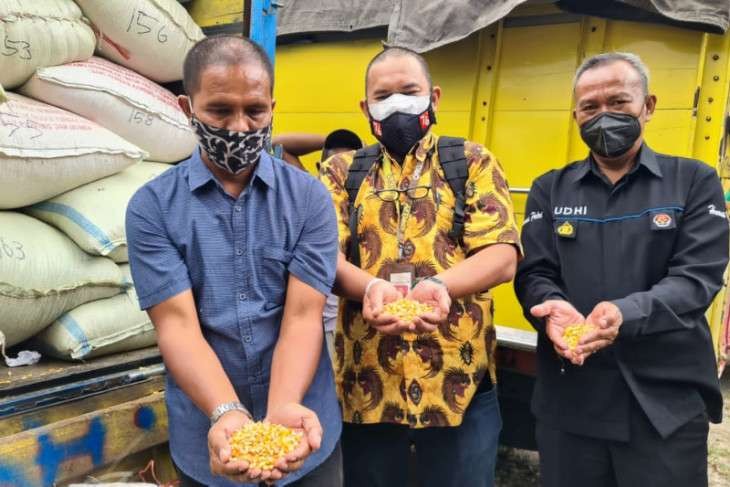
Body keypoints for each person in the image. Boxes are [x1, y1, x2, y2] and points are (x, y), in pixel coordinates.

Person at [125, 35, 342, 487]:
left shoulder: (309, 199)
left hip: (305, 431)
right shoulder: (152, 208)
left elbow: (303, 316)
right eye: (220, 111)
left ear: (272, 107)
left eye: (255, 111)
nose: (240, 127)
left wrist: (282, 410)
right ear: (187, 108)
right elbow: (177, 326)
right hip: (206, 441)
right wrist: (227, 413)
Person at [515, 52, 729, 487]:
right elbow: (535, 272)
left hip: (663, 404)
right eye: (590, 107)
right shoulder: (549, 188)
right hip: (572, 400)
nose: (604, 116)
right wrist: (550, 305)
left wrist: (624, 314)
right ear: (575, 114)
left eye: (619, 102)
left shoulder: (694, 181)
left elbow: (696, 279)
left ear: (648, 106)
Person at [319, 47, 521, 487]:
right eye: (383, 94)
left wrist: (440, 286)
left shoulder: (470, 161)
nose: (397, 103)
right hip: (366, 381)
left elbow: (502, 255)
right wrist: (370, 287)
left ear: (434, 96)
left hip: (459, 381)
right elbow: (322, 259)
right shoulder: (341, 172)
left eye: (409, 91)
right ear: (365, 106)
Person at [273, 130, 365, 360]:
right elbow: (277, 144)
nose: (341, 172)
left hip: (356, 322)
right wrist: (329, 138)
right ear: (320, 167)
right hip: (312, 322)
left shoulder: (373, 201)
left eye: (348, 167)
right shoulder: (310, 193)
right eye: (333, 166)